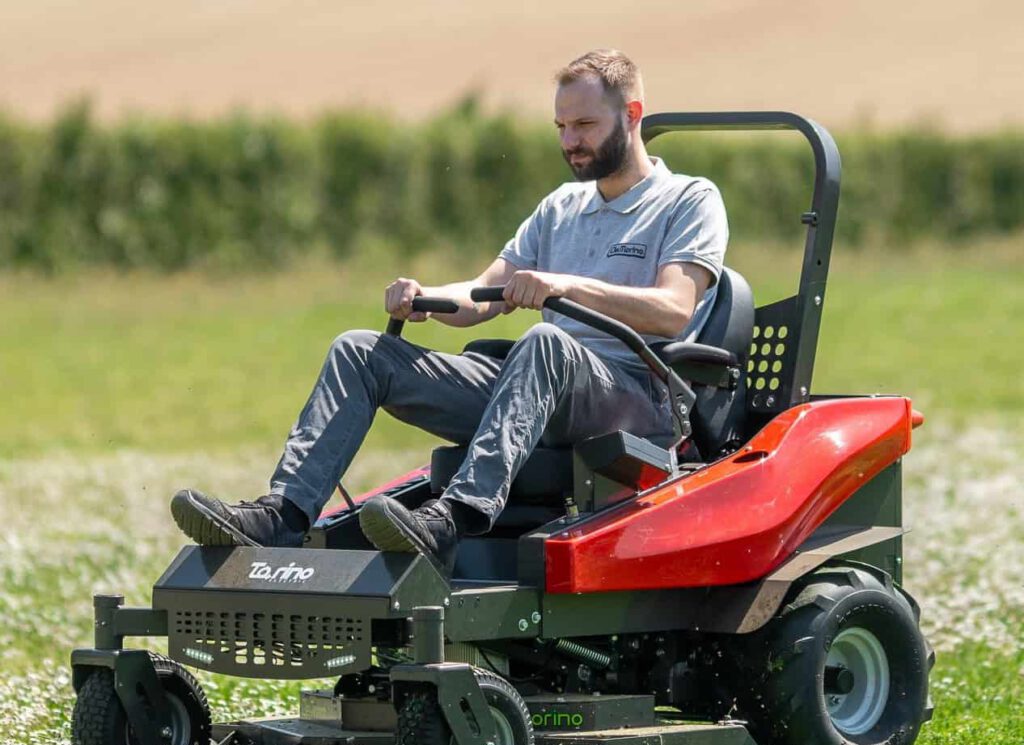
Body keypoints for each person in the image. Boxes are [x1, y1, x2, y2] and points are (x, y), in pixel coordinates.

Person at [171, 48, 729, 577]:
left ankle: (452, 518)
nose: (569, 142)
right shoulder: (560, 207)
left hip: (635, 399)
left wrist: (565, 286)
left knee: (544, 344)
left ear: (631, 115)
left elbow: (674, 310)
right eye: (560, 127)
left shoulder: (688, 198)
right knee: (361, 351)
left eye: (583, 126)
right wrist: (426, 297)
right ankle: (283, 516)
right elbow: (482, 295)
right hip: (541, 387)